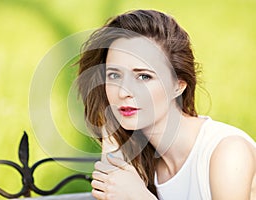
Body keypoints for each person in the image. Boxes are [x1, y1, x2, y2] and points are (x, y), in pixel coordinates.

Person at [76, 9, 256, 200]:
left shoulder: (227, 152)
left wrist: (140, 197)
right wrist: (112, 142)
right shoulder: (142, 162)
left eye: (143, 76)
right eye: (114, 75)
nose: (123, 92)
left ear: (178, 86)